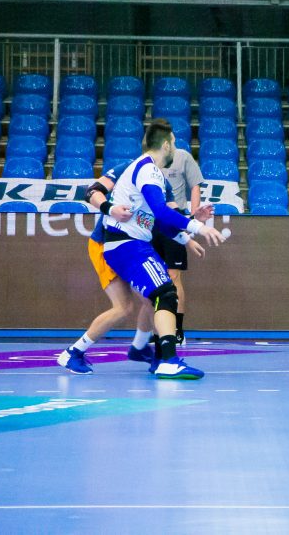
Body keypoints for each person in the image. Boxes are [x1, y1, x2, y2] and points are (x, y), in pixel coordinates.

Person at [56, 166, 213, 375]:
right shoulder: (131, 169)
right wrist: (110, 208)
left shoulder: (162, 182)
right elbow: (91, 192)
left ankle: (140, 348)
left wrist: (192, 222)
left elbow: (169, 216)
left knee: (153, 299)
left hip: (132, 244)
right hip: (107, 243)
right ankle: (73, 352)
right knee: (123, 307)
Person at [102, 119, 226, 379]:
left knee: (164, 294)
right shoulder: (149, 170)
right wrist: (198, 228)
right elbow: (160, 211)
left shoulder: (146, 170)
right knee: (165, 293)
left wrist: (185, 237)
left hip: (128, 242)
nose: (176, 149)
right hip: (126, 243)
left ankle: (158, 355)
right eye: (175, 144)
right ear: (167, 145)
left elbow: (156, 221)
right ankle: (166, 359)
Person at [154, 146, 205, 345]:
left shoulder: (183, 156)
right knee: (154, 278)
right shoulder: (148, 159)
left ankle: (177, 330)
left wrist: (192, 219)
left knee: (173, 276)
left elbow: (195, 185)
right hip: (150, 222)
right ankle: (158, 331)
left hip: (174, 219)